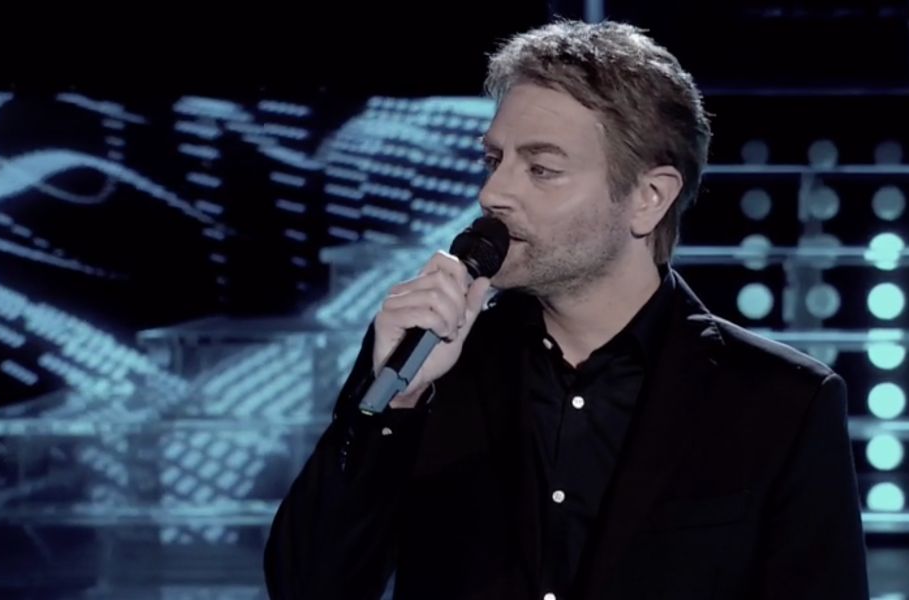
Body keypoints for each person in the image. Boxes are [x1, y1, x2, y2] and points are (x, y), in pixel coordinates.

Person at [265, 19, 868, 600]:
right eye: (494, 160)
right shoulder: (431, 365)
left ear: (649, 198)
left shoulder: (781, 403)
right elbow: (306, 585)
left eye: (542, 169)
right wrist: (393, 400)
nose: (493, 194)